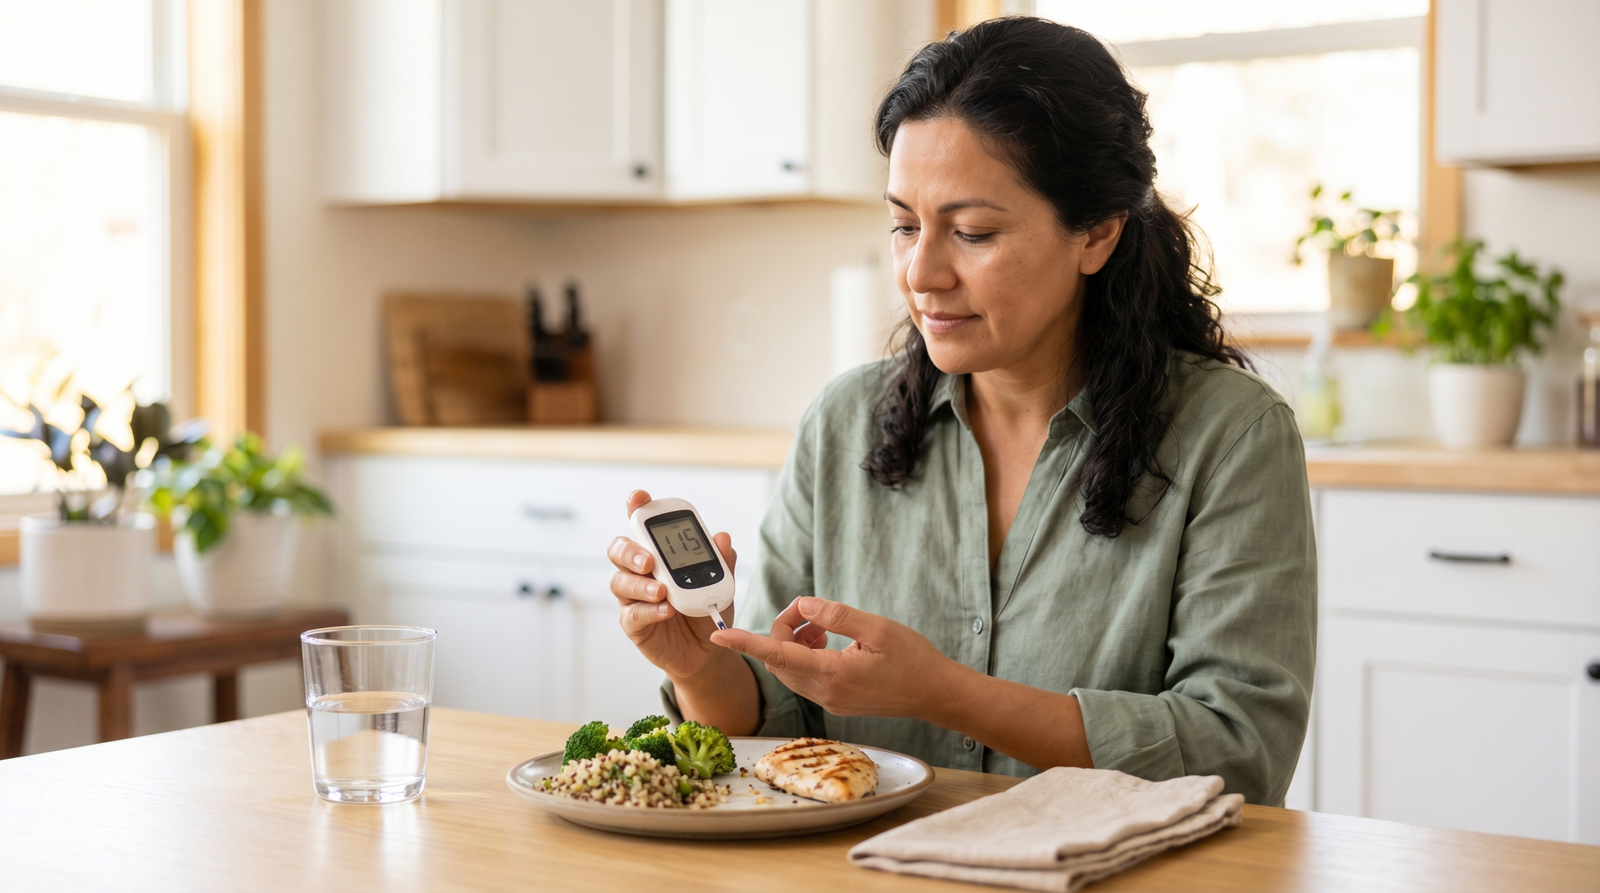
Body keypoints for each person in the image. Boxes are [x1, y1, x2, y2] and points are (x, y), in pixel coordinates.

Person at [605, 16, 1315, 805]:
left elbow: (1241, 752)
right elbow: (777, 731)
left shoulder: (1232, 435)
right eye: (904, 225)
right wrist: (701, 664)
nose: (922, 273)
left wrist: (945, 690)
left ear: (1098, 233)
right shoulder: (842, 424)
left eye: (972, 232)